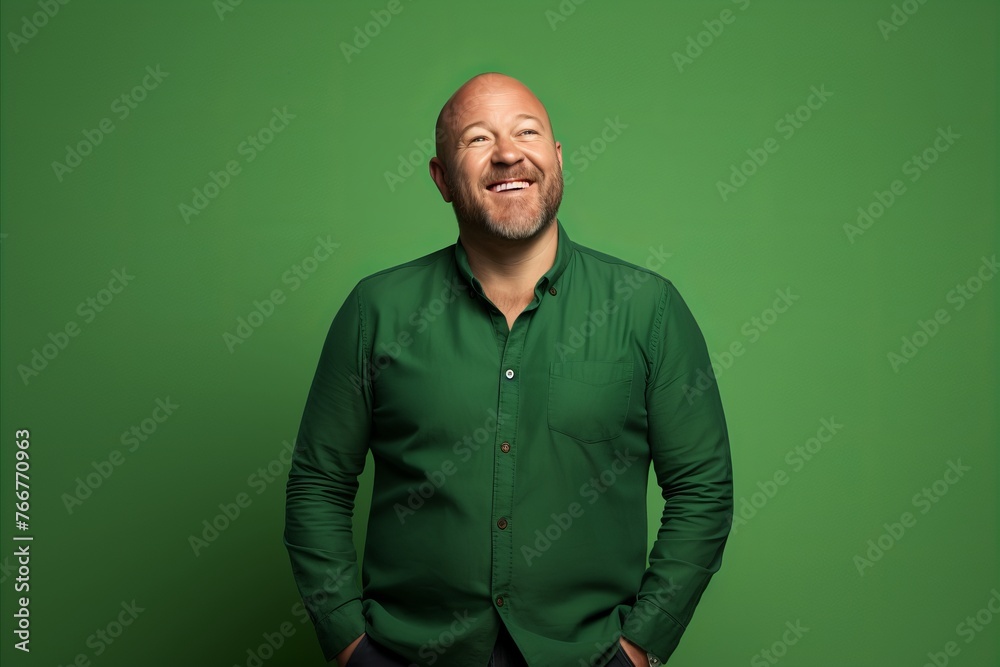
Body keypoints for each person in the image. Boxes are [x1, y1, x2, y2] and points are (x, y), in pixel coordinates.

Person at [283, 72, 733, 667]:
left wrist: (640, 647)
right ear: (442, 178)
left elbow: (702, 492)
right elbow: (318, 485)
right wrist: (348, 644)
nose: (508, 153)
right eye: (477, 139)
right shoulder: (376, 311)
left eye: (528, 131)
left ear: (557, 157)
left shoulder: (648, 310)